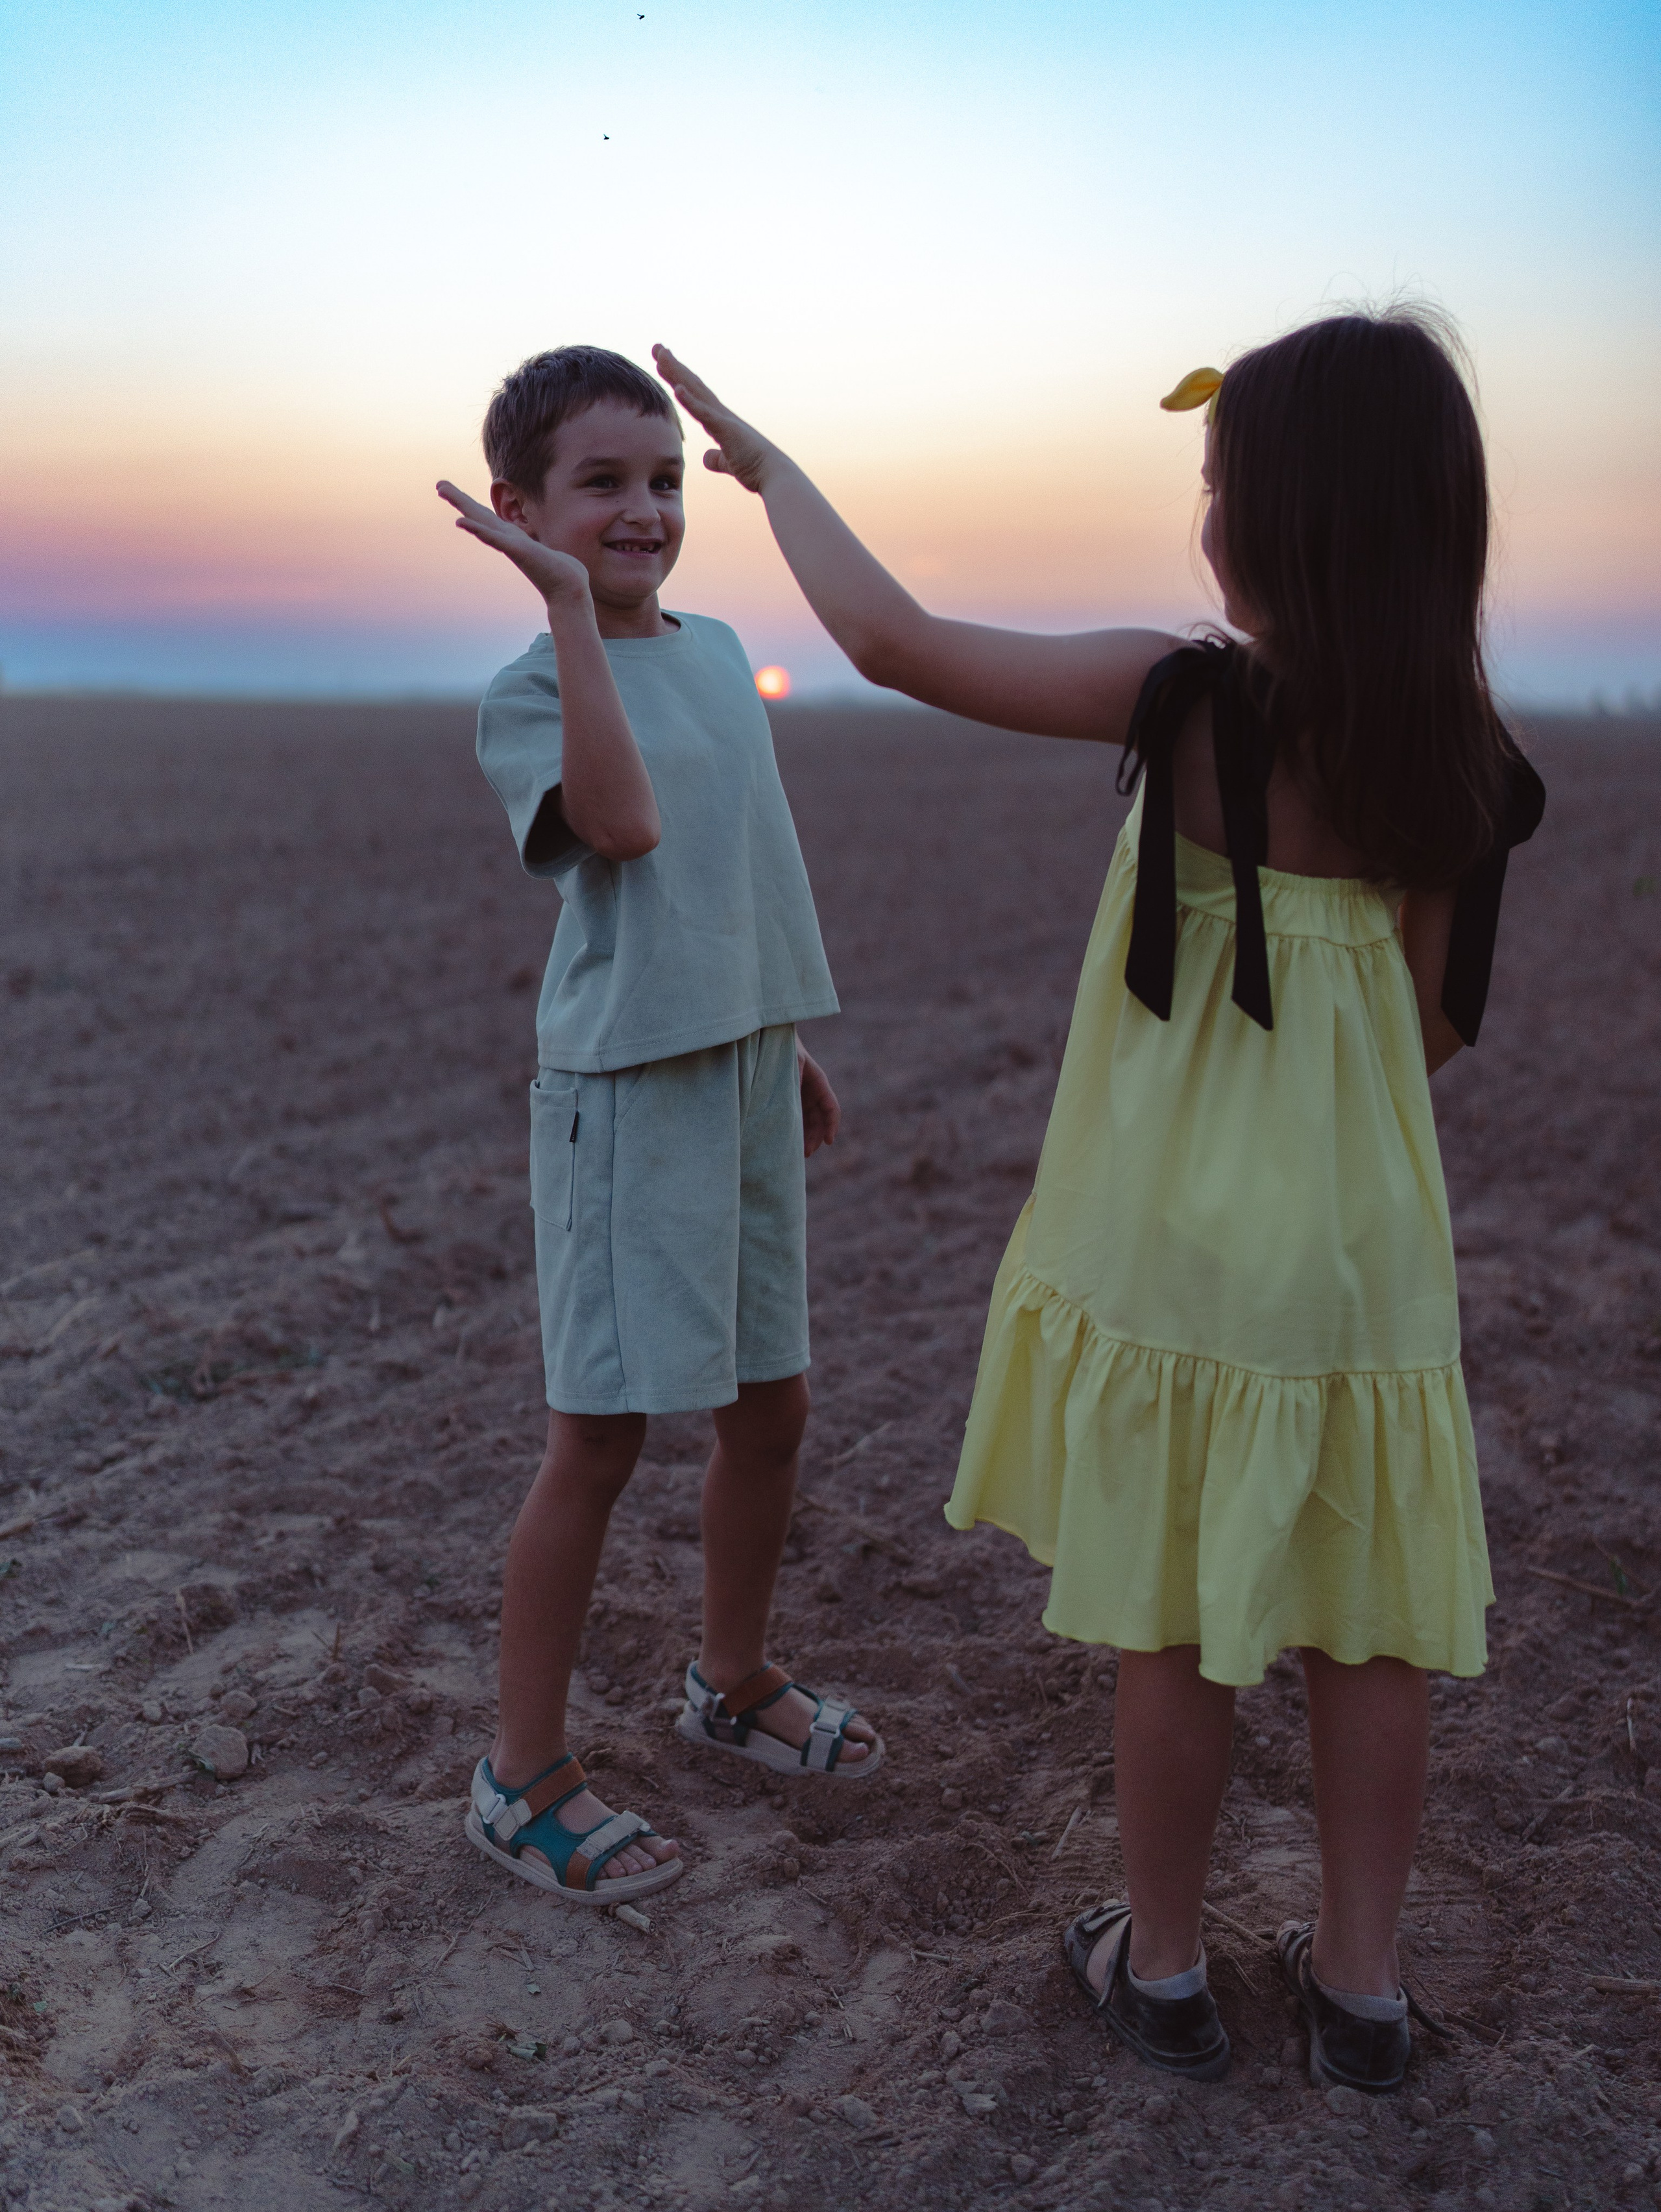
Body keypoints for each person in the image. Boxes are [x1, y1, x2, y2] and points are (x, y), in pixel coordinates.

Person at [653, 313, 1542, 2082]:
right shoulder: (1452, 758)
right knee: (1370, 1625)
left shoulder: (1187, 700)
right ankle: (1362, 1991)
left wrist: (776, 474)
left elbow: (896, 641)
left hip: (1180, 1251)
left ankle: (1161, 1968)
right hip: (1361, 1261)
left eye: (1221, 484)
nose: (1207, 515)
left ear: (1277, 522)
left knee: (1181, 1616)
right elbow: (1438, 1021)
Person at [435, 344, 883, 1910]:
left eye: (662, 480)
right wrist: (568, 616)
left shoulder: (717, 651)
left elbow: (731, 871)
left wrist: (782, 1036)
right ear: (517, 510)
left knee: (772, 1409)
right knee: (601, 1438)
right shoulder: (525, 693)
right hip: (627, 1097)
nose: (642, 510)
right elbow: (619, 830)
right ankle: (520, 1776)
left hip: (742, 1072)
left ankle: (730, 1677)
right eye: (599, 484)